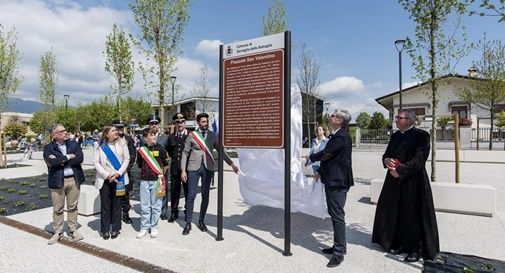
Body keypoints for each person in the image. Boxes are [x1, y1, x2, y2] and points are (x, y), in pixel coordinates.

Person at [372, 109, 439, 263]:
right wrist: (386, 161)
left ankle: (415, 249)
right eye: (397, 117)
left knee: (412, 214)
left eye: (399, 117)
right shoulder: (395, 135)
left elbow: (419, 159)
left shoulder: (421, 136)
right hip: (393, 181)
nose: (396, 120)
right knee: (398, 212)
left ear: (410, 120)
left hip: (413, 181)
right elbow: (386, 154)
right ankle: (401, 243)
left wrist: (400, 171)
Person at [306, 109, 354, 268]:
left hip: (338, 182)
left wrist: (310, 157)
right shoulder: (337, 135)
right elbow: (329, 158)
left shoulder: (341, 136)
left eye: (334, 115)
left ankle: (339, 253)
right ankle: (339, 246)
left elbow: (326, 153)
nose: (330, 116)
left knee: (337, 216)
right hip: (333, 180)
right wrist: (319, 171)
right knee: (335, 215)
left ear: (340, 120)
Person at [180, 112, 239, 235]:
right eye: (203, 122)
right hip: (193, 168)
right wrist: (183, 170)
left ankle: (201, 221)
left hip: (208, 169)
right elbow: (185, 153)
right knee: (191, 196)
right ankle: (188, 223)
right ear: (198, 122)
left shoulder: (212, 135)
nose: (206, 124)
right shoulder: (192, 136)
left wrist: (231, 164)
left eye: (207, 121)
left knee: (205, 196)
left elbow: (221, 151)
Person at [43, 124, 85, 245]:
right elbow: (52, 163)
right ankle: (58, 232)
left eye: (65, 130)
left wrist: (60, 160)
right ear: (54, 135)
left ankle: (73, 230)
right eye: (62, 131)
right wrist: (68, 156)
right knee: (58, 208)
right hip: (57, 180)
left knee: (73, 206)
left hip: (74, 179)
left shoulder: (73, 144)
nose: (65, 132)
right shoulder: (48, 148)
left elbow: (80, 158)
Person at [93, 125, 130, 240]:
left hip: (119, 178)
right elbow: (96, 162)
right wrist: (106, 174)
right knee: (105, 205)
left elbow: (126, 159)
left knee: (117, 204)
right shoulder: (99, 145)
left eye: (116, 130)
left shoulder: (122, 143)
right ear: (106, 134)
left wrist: (118, 173)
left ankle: (115, 228)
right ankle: (105, 229)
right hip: (105, 179)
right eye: (113, 131)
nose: (116, 132)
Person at [136, 128, 169, 239]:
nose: (154, 136)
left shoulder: (161, 149)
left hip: (157, 181)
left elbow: (166, 164)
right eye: (152, 135)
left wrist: (161, 175)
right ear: (146, 138)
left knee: (156, 206)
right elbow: (139, 164)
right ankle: (144, 227)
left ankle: (154, 226)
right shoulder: (141, 150)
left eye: (155, 134)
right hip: (144, 180)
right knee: (145, 206)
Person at [144, 115, 170, 220]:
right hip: (149, 171)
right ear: (149, 125)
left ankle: (163, 212)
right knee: (149, 192)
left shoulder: (165, 138)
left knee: (162, 190)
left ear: (159, 125)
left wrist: (166, 168)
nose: (154, 125)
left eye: (156, 123)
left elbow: (169, 155)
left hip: (162, 170)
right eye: (151, 123)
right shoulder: (143, 139)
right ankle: (151, 211)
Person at [112, 119, 137, 224]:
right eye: (118, 127)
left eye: (122, 127)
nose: (120, 129)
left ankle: (125, 214)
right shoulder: (111, 139)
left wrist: (125, 169)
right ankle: (114, 215)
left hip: (125, 172)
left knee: (125, 194)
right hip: (112, 172)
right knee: (113, 194)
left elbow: (132, 155)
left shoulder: (128, 139)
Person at [166, 113, 189, 223]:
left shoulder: (190, 136)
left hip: (187, 169)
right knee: (174, 191)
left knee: (188, 191)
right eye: (177, 122)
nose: (180, 124)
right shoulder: (171, 137)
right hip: (175, 168)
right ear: (175, 124)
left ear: (185, 123)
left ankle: (187, 211)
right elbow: (170, 152)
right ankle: (174, 211)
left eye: (182, 122)